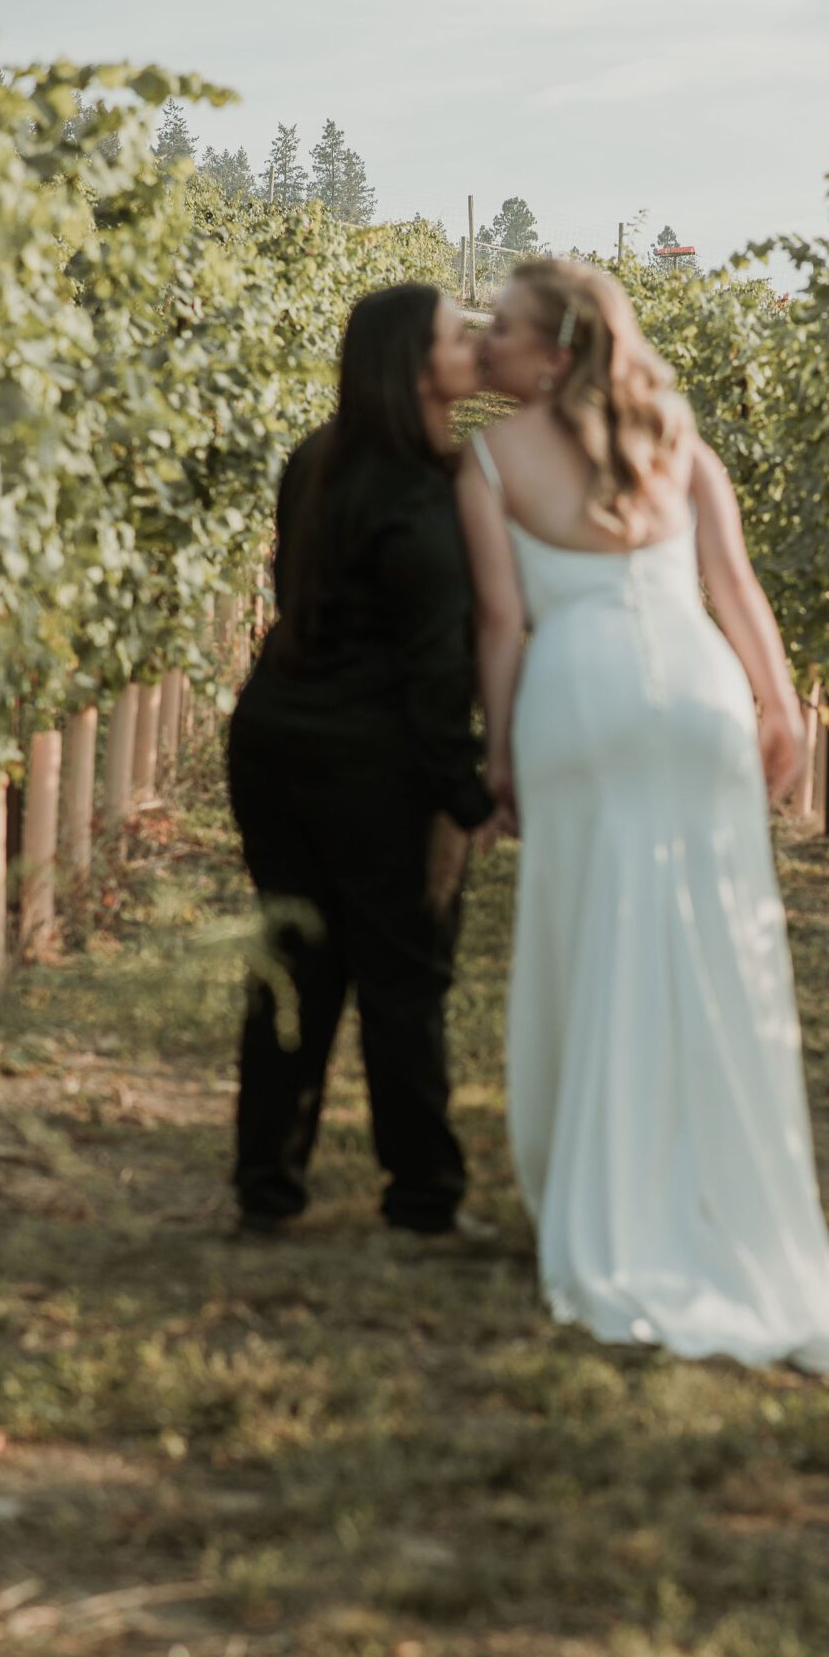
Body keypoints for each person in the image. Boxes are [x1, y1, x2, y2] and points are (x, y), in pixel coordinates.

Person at [457, 261, 829, 1377]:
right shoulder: (680, 439)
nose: (488, 345)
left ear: (558, 354)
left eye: (508, 331)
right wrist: (778, 706)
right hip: (700, 692)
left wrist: (497, 749)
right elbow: (737, 587)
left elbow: (497, 619)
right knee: (722, 946)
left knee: (593, 930)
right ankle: (724, 1190)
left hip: (581, 697)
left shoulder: (490, 455)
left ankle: (609, 1190)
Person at [228, 283, 495, 1240]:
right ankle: (423, 1197)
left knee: (297, 964)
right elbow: (435, 675)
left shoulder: (315, 458)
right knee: (401, 972)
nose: (473, 344)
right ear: (416, 368)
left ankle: (266, 1184)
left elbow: (294, 593)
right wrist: (469, 794)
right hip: (374, 761)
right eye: (456, 335)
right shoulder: (430, 496)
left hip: (272, 739)